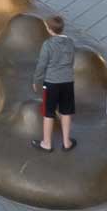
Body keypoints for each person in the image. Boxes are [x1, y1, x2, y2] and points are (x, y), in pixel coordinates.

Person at [35, 14, 77, 152]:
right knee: (66, 111)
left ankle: (46, 143)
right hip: (68, 82)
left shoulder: (47, 45)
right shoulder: (70, 42)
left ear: (49, 29)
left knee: (49, 113)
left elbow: (42, 65)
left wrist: (37, 81)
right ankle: (66, 142)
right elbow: (71, 61)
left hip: (52, 83)